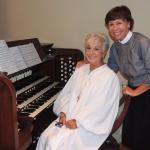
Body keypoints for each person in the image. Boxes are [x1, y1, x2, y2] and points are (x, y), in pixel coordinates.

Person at [36, 32, 120, 150]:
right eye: (88, 48)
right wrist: (63, 112)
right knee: (45, 137)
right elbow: (67, 94)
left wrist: (79, 122)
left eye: (96, 49)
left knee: (56, 144)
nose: (91, 53)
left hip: (88, 127)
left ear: (104, 52)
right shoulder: (81, 70)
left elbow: (101, 109)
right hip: (68, 117)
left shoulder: (109, 77)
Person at [105, 5, 150, 150]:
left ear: (128, 23)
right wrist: (88, 64)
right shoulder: (115, 47)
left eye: (119, 23)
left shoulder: (141, 42)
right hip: (133, 90)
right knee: (129, 135)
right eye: (111, 24)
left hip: (146, 91)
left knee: (142, 136)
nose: (114, 28)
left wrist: (136, 91)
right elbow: (108, 70)